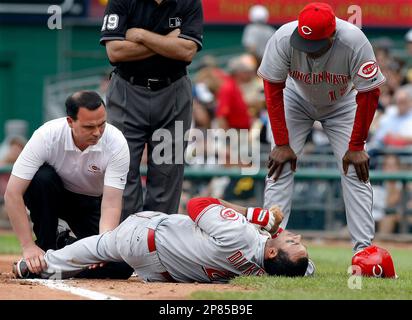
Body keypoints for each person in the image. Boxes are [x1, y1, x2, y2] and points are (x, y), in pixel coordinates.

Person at [258, 3, 386, 253]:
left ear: (332, 34)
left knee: (355, 170)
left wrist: (357, 145)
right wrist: (282, 143)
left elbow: (369, 93)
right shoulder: (283, 37)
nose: (309, 50)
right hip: (296, 99)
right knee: (279, 165)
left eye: (316, 43)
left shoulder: (354, 41)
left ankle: (363, 251)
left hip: (342, 103)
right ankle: (269, 246)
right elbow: (273, 89)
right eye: (305, 42)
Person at [13, 197, 312, 282]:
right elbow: (303, 269)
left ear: (273, 253)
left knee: (97, 245)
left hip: (144, 237)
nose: (295, 237)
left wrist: (258, 217)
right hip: (157, 272)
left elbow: (198, 204)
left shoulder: (242, 233)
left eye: (293, 243)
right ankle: (47, 266)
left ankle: (38, 265)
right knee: (99, 251)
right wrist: (280, 241)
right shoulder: (267, 273)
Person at [4, 91, 133, 278]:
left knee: (121, 266)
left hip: (91, 203)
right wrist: (28, 246)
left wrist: (101, 247)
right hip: (53, 196)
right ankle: (44, 247)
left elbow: (112, 203)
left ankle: (54, 255)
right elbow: (12, 193)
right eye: (89, 127)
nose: (97, 132)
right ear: (70, 122)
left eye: (102, 124)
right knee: (41, 178)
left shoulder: (117, 142)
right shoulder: (46, 136)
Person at [100, 0, 204, 220]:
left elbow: (186, 51)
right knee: (122, 168)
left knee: (167, 173)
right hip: (128, 89)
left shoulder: (189, 2)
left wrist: (141, 35)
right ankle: (123, 243)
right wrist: (167, 43)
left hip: (172, 91)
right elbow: (115, 52)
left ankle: (157, 244)